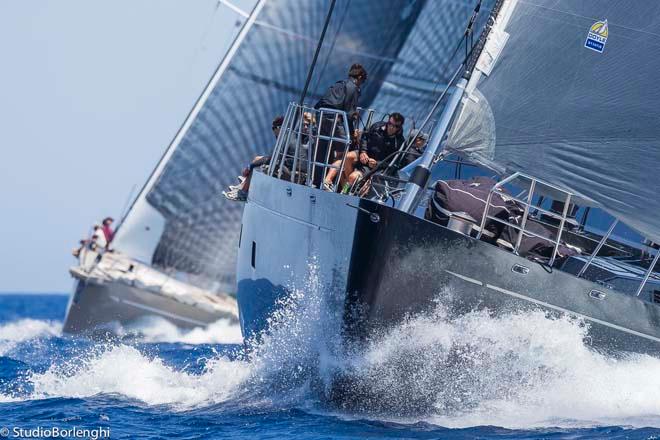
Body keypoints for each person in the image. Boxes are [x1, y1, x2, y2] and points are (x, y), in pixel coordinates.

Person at [312, 63, 368, 186]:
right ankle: (333, 182)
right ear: (359, 77)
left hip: (321, 116)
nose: (361, 84)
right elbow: (349, 114)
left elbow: (321, 103)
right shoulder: (352, 87)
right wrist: (352, 133)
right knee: (345, 148)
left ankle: (316, 181)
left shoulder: (338, 84)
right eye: (362, 81)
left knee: (321, 148)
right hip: (334, 120)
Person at [324, 112, 405, 191]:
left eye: (396, 126)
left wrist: (377, 164)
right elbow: (364, 137)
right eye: (390, 123)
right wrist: (363, 151)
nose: (391, 127)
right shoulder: (377, 127)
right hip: (365, 154)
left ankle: (345, 190)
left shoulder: (399, 142)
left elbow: (394, 163)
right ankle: (329, 183)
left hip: (375, 166)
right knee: (347, 157)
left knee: (352, 177)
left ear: (400, 127)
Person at [223, 115, 285, 202]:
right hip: (283, 163)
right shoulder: (286, 137)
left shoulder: (284, 139)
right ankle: (243, 185)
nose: (273, 131)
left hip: (284, 167)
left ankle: (243, 192)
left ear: (279, 128)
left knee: (256, 167)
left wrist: (250, 166)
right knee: (257, 158)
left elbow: (270, 159)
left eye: (274, 128)